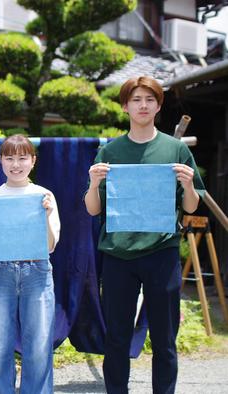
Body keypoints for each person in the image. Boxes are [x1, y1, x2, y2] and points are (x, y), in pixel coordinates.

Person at [84, 75, 205, 394]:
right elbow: (93, 210)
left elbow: (191, 207)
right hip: (118, 257)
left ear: (158, 105)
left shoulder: (175, 148)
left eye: (149, 100)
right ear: (125, 106)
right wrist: (94, 184)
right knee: (117, 338)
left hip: (162, 254)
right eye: (136, 100)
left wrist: (189, 184)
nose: (143, 105)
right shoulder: (111, 150)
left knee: (165, 339)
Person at [0, 134, 60, 394]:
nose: (16, 164)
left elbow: (51, 244)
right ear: (0, 161)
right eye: (9, 158)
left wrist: (46, 215)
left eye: (22, 158)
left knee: (39, 344)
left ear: (33, 160)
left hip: (37, 272)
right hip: (1, 273)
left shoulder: (44, 195)